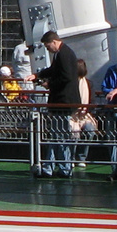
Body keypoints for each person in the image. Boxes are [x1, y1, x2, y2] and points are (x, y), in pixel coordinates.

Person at [35, 31, 80, 177]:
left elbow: (66, 77)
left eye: (48, 46)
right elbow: (55, 70)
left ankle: (62, 168)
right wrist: (38, 75)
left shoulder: (64, 54)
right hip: (62, 101)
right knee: (57, 135)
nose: (47, 49)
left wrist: (50, 84)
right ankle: (56, 167)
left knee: (59, 135)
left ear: (54, 42)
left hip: (63, 101)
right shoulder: (62, 53)